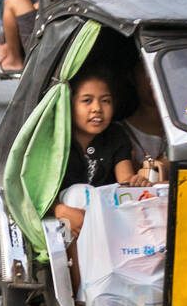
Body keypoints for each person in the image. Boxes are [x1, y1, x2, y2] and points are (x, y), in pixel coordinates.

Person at [53, 65, 140, 240]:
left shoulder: (116, 135)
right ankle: (77, 267)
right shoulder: (55, 139)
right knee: (78, 193)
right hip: (60, 215)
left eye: (105, 101)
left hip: (105, 215)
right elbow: (39, 192)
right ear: (70, 104)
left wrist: (137, 183)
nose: (97, 108)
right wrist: (59, 209)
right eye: (87, 101)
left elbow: (125, 181)